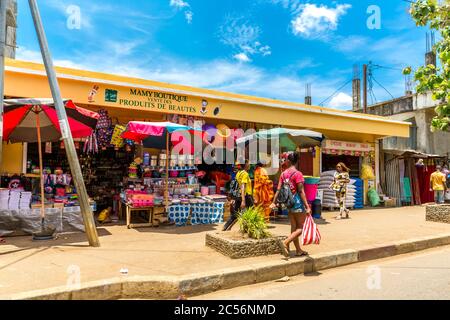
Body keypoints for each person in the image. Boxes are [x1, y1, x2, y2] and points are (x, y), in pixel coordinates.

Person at [270, 152, 311, 257]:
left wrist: (273, 202)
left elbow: (278, 189)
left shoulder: (283, 174)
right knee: (301, 228)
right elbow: (301, 191)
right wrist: (307, 206)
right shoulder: (298, 174)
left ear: (288, 161)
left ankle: (298, 250)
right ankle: (286, 242)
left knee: (294, 227)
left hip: (288, 203)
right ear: (297, 161)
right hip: (297, 203)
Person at [223, 160, 254, 231]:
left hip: (239, 196)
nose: (249, 165)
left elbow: (236, 186)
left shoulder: (238, 173)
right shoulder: (245, 174)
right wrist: (243, 200)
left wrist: (234, 198)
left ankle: (225, 227)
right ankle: (247, 229)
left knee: (235, 214)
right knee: (251, 212)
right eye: (248, 163)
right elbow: (242, 187)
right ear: (245, 165)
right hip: (246, 196)